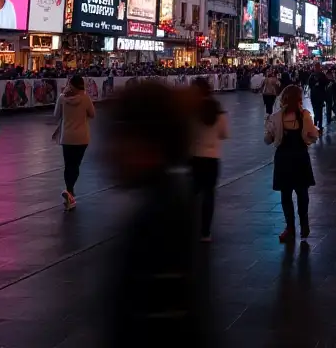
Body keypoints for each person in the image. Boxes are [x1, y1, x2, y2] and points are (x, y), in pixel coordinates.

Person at [100, 80, 207, 345]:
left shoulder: (158, 218)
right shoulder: (168, 200)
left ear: (147, 142)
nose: (107, 152)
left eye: (120, 134)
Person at [264, 83, 319, 243]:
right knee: (302, 193)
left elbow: (267, 140)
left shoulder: (275, 117)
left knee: (286, 194)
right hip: (300, 157)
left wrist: (269, 131)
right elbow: (313, 136)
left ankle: (290, 228)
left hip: (283, 158)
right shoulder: (305, 115)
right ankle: (304, 224)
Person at [189, 77, 229, 242]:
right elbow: (224, 134)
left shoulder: (191, 110)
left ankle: (188, 226)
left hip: (194, 156)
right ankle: (205, 232)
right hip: (212, 158)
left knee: (192, 193)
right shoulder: (217, 111)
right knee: (209, 195)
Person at [52, 75, 95, 210]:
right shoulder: (85, 98)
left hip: (67, 137)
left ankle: (69, 190)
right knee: (76, 165)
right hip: (82, 137)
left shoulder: (62, 98)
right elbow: (93, 114)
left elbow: (56, 116)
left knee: (68, 165)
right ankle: (70, 192)